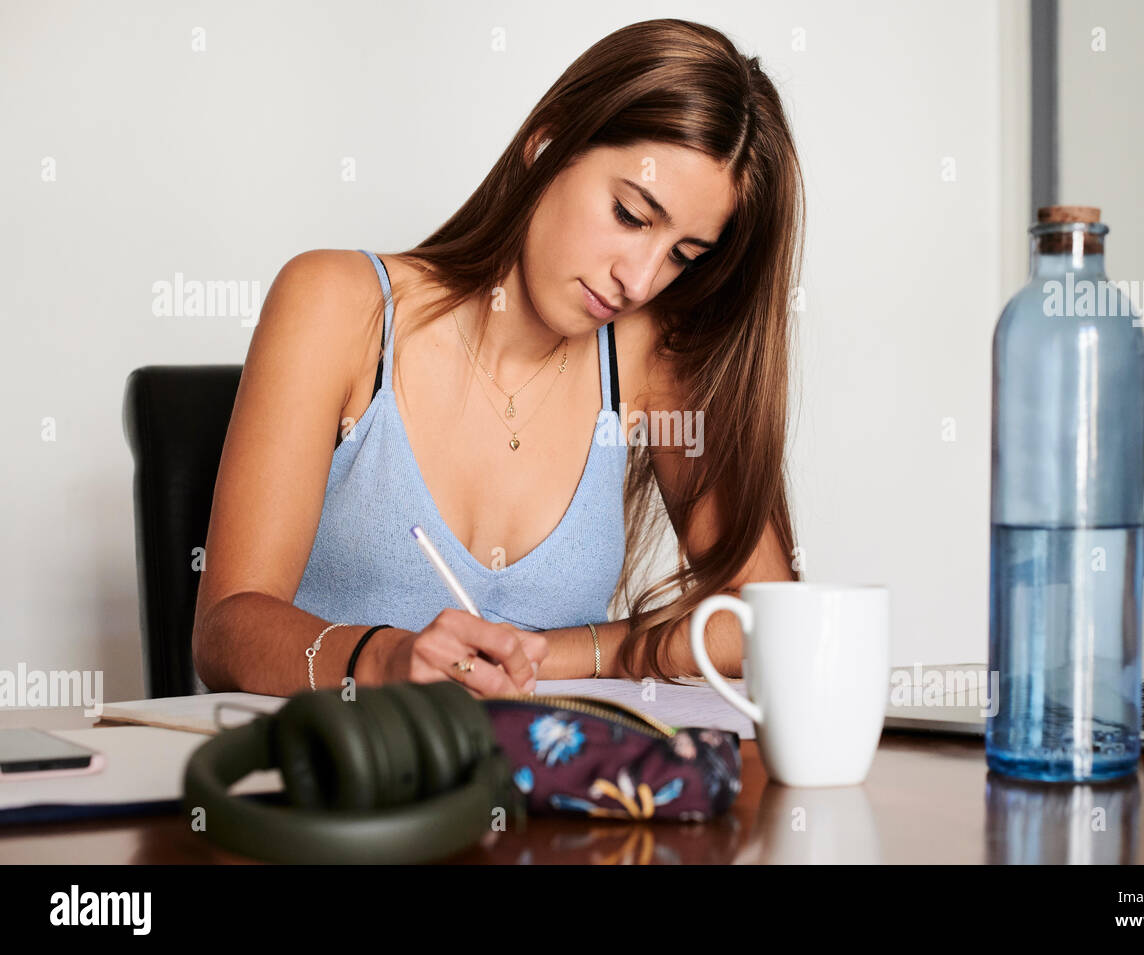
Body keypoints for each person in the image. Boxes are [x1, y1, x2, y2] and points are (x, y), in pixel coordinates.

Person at [193, 18, 805, 698]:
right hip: (346, 787)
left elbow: (762, 615)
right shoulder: (336, 305)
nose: (640, 279)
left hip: (546, 792)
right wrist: (386, 659)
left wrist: (547, 654)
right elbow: (224, 630)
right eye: (632, 216)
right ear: (547, 145)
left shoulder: (647, 357)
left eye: (682, 256)